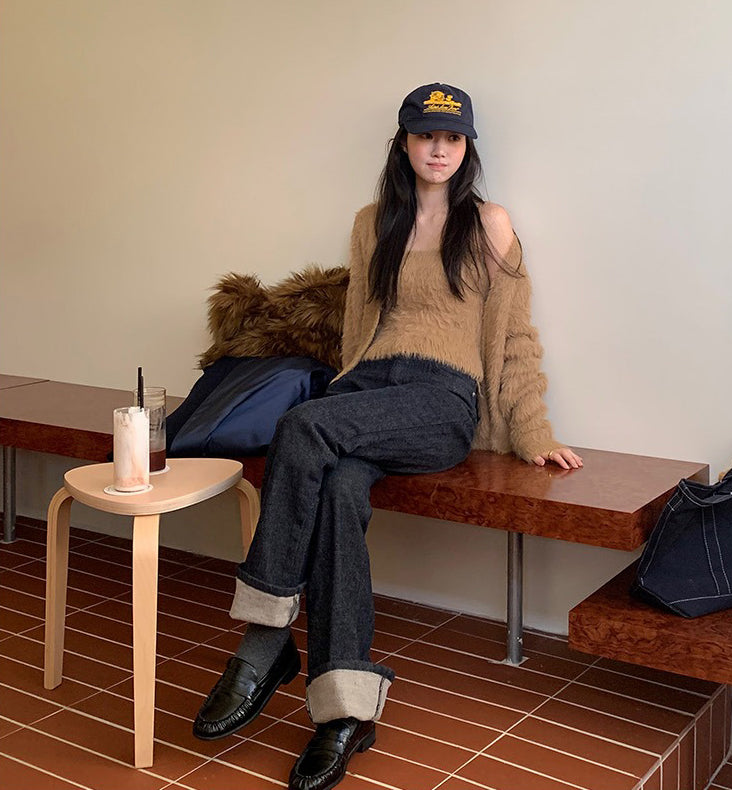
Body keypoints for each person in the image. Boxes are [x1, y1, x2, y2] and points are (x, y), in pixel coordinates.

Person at [192, 84, 583, 790]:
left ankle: (264, 641)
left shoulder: (489, 223)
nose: (439, 149)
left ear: (466, 148)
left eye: (453, 137)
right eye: (426, 135)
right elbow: (356, 330)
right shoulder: (373, 223)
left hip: (441, 400)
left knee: (301, 425)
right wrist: (350, 389)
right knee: (339, 489)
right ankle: (345, 713)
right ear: (404, 143)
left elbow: (515, 335)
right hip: (368, 391)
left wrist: (531, 430)